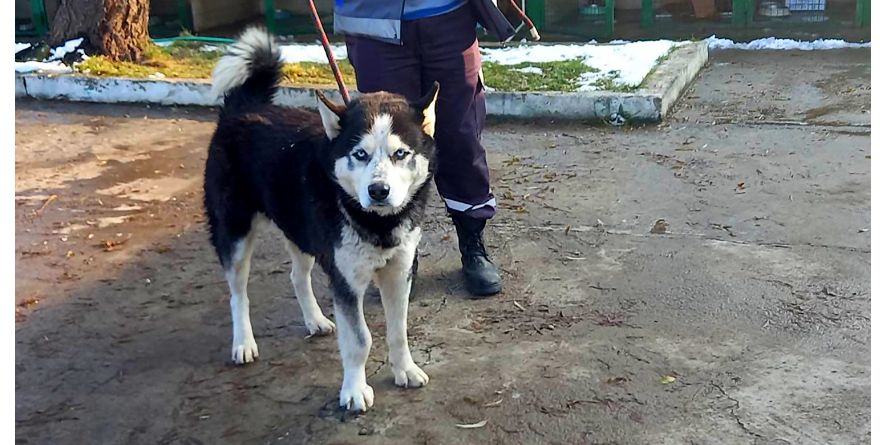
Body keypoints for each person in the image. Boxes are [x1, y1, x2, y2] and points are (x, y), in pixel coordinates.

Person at [334, 0, 516, 296]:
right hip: (374, 22)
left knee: (461, 139)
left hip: (448, 15)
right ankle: (399, 257)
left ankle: (473, 245)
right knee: (387, 143)